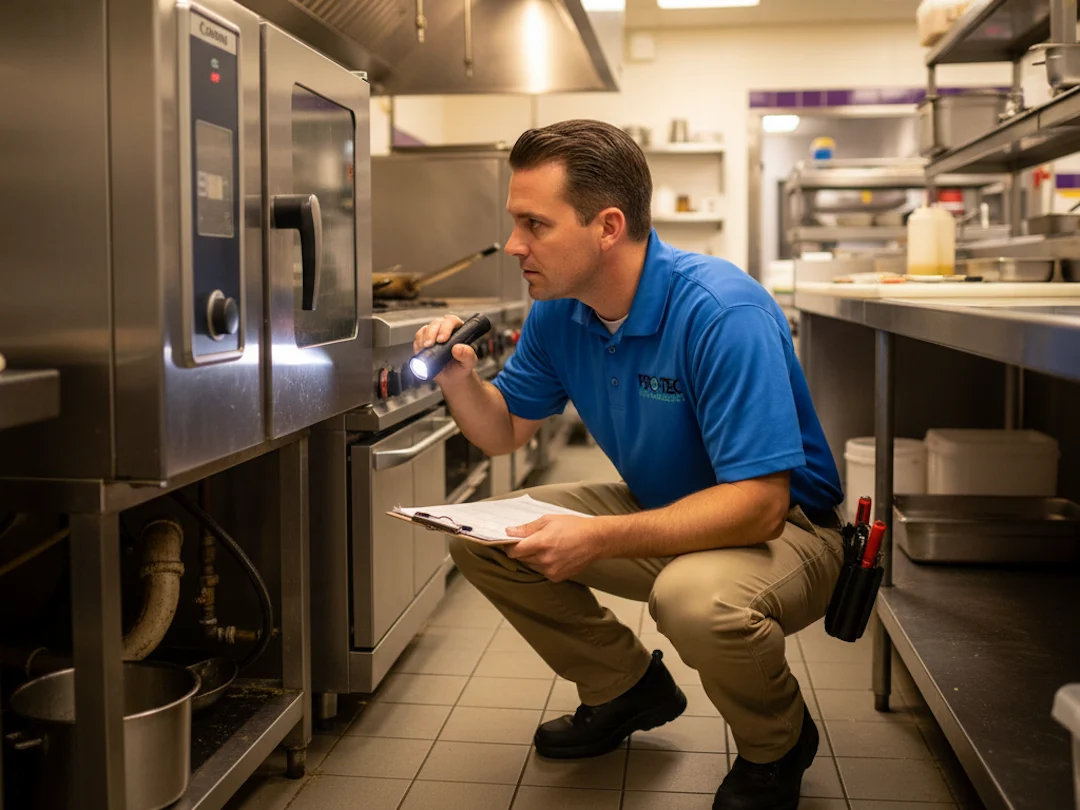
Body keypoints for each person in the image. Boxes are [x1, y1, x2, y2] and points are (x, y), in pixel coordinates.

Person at [412, 119, 844, 810]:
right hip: (666, 506)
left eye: (534, 224)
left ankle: (777, 743)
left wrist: (598, 537)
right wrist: (458, 379)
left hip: (791, 528)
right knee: (485, 537)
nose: (514, 245)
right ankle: (627, 688)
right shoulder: (562, 310)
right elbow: (503, 432)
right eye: (514, 223)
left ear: (607, 226)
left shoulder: (720, 311)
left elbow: (760, 504)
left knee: (693, 601)